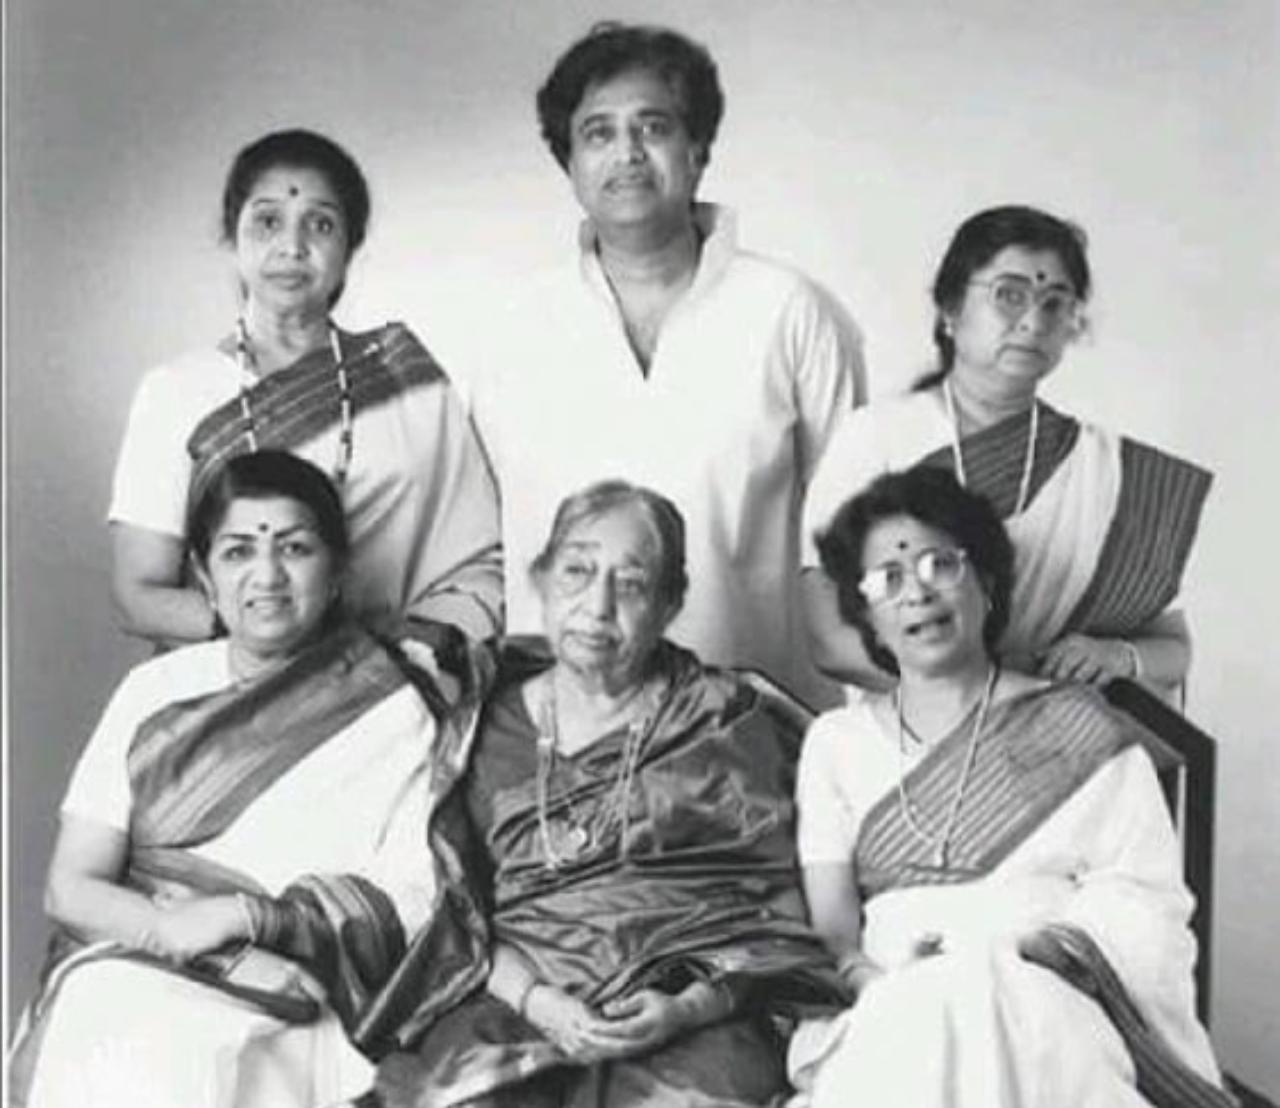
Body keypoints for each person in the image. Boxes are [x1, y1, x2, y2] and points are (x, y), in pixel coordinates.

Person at [357, 480, 847, 1107]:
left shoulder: (723, 719)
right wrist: (540, 1002)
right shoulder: (478, 719)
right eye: (578, 572)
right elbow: (452, 913)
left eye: (633, 584)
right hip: (513, 1003)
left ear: (671, 603)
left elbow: (775, 910)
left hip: (695, 1019)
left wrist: (687, 1009)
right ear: (539, 579)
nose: (598, 605)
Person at [11, 452, 473, 1108]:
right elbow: (71, 886)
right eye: (237, 553)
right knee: (109, 1019)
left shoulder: (394, 708)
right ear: (203, 575)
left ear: (338, 570)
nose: (267, 576)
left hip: (295, 990)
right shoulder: (155, 691)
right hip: (135, 957)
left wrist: (251, 919)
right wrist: (182, 938)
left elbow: (410, 902)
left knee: (178, 1051)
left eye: (295, 548)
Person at [788, 466, 1229, 1108]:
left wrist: (1019, 954)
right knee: (923, 1018)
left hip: (1053, 995)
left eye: (941, 565)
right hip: (891, 998)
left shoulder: (1078, 724)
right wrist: (874, 980)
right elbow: (832, 929)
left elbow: (1147, 899)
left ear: (987, 585)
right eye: (888, 580)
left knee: (997, 1003)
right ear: (868, 620)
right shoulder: (836, 743)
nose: (917, 592)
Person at [464, 22, 865, 708]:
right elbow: (481, 546)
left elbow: (854, 539)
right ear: (569, 162)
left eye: (653, 127)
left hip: (755, 732)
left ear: (698, 149)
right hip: (557, 733)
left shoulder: (791, 313)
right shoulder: (512, 326)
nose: (627, 153)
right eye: (598, 133)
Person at [109, 128, 501, 662]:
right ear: (233, 237)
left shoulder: (403, 377)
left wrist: (378, 666)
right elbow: (139, 597)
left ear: (349, 247)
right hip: (231, 698)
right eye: (268, 221)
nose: (292, 247)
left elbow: (477, 563)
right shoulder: (176, 392)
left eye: (320, 224)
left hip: (392, 683)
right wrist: (283, 637)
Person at [801, 205, 1211, 695]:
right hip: (911, 743)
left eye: (1055, 303)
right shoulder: (875, 439)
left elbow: (1172, 649)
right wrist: (979, 697)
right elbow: (830, 639)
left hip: (1063, 742)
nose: (1034, 321)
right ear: (950, 311)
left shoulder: (1107, 473)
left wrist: (1117, 656)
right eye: (1009, 296)